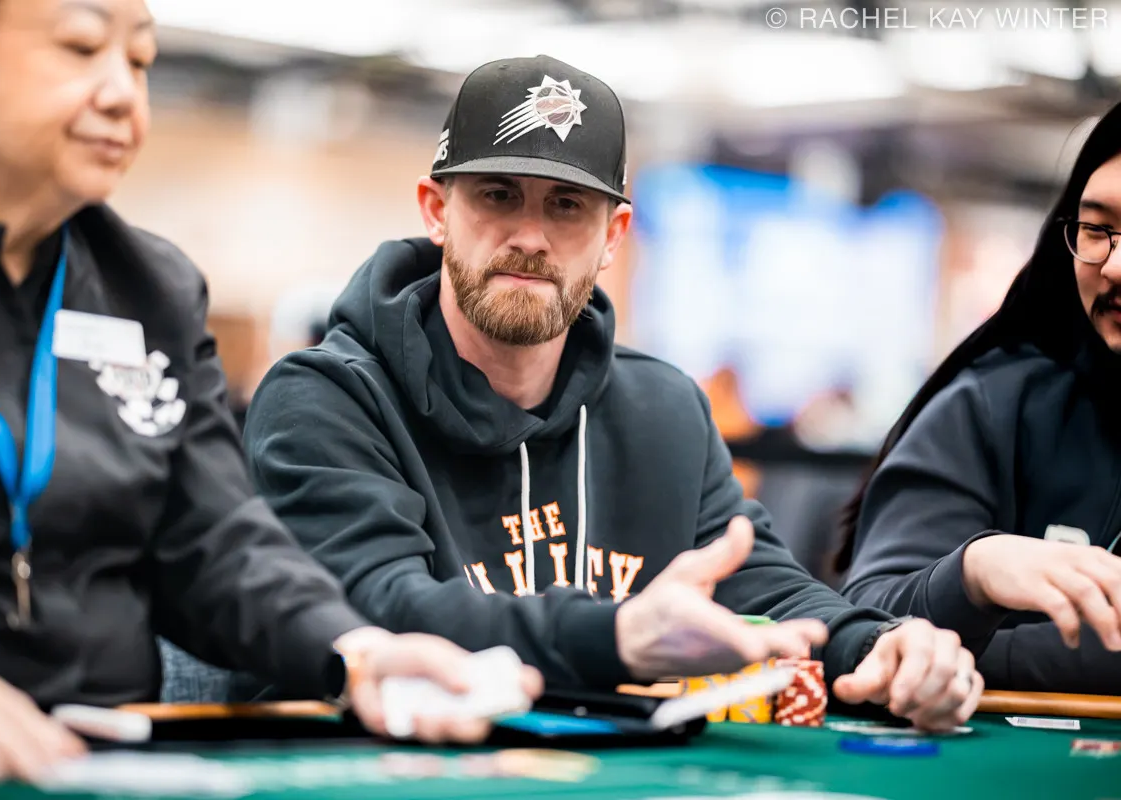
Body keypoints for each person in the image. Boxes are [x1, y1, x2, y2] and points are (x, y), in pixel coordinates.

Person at [243, 54, 983, 732]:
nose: (531, 236)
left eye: (567, 205)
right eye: (499, 194)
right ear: (437, 210)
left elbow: (764, 589)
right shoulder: (324, 399)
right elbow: (376, 607)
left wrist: (878, 647)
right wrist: (617, 637)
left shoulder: (666, 409)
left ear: (614, 235)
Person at [0, 0, 543, 784]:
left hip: (93, 759)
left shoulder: (150, 288)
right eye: (80, 48)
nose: (120, 94)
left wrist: (354, 653)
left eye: (140, 61)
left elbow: (215, 542)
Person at [835, 102, 1121, 694]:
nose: (1115, 268)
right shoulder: (994, 404)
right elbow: (867, 629)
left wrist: (973, 655)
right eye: (1097, 230)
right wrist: (972, 574)